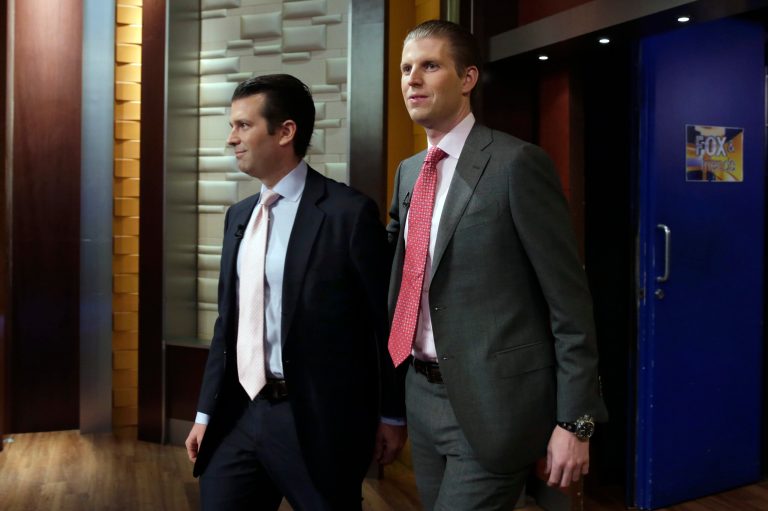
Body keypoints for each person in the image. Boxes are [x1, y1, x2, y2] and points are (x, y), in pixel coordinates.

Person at [386, 20, 609, 510]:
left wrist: (575, 420)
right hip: (420, 396)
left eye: (429, 66)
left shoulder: (516, 164)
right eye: (406, 69)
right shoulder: (407, 174)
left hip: (495, 404)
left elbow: (569, 303)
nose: (412, 80)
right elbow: (407, 289)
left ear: (467, 79)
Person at [185, 74, 406, 511]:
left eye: (243, 126)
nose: (231, 139)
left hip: (317, 420)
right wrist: (204, 413)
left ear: (286, 132)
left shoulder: (347, 214)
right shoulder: (238, 217)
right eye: (232, 126)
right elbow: (227, 324)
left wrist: (391, 414)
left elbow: (383, 324)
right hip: (240, 414)